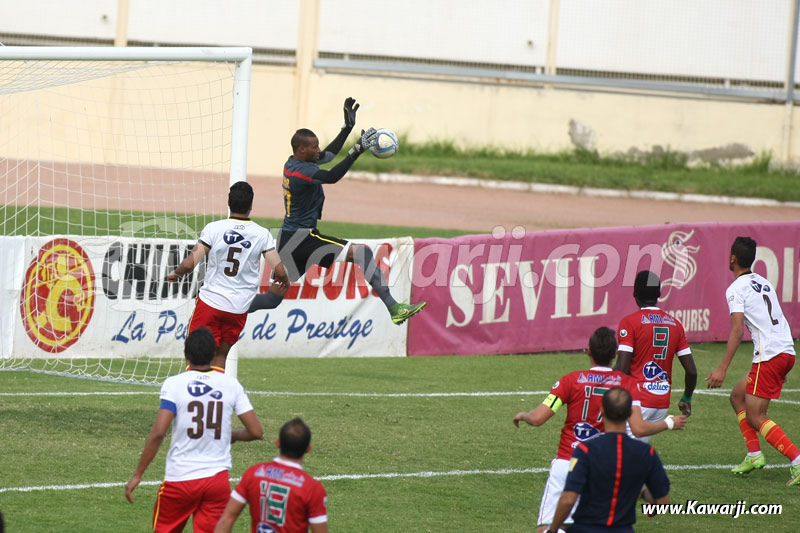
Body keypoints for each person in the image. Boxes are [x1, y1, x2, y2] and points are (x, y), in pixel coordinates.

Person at [247, 97, 426, 325]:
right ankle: (394, 307)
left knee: (272, 299)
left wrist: (347, 128)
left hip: (288, 240)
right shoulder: (301, 173)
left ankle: (224, 306)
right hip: (304, 239)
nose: (318, 150)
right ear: (302, 150)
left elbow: (328, 156)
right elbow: (331, 176)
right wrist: (357, 150)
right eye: (314, 147)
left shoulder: (294, 163)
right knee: (363, 253)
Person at [513, 326, 685, 533]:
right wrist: (669, 422)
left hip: (568, 461)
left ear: (588, 351)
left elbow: (539, 418)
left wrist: (525, 415)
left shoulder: (570, 381)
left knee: (548, 529)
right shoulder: (628, 385)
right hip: (605, 464)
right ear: (614, 354)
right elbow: (639, 429)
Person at [125, 327, 264, 532]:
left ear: (186, 355)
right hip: (217, 481)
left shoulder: (175, 384)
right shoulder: (230, 384)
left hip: (180, 479)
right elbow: (256, 432)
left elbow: (159, 432)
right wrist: (231, 435)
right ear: (213, 355)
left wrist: (138, 474)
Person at [706, 236, 800, 486]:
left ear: (733, 258)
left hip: (770, 355)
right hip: (784, 351)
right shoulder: (764, 282)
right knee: (737, 397)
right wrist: (784, 359)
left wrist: (722, 368)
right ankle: (754, 454)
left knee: (756, 416)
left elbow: (737, 330)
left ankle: (797, 460)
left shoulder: (736, 289)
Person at [168, 181, 289, 369]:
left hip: (211, 303)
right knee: (220, 357)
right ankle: (217, 395)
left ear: (228, 202)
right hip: (238, 309)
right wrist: (285, 281)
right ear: (250, 206)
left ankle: (194, 392)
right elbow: (280, 270)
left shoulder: (214, 228)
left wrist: (176, 273)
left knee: (195, 355)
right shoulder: (262, 234)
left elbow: (190, 263)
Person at [547, 387, 671, 533]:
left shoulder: (586, 450)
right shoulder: (646, 453)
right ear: (630, 413)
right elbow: (663, 501)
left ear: (602, 410)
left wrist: (552, 530)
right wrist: (643, 493)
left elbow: (568, 499)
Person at [615, 270, 697, 442]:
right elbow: (691, 371)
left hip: (637, 401)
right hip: (661, 403)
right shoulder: (675, 324)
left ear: (634, 294)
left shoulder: (630, 322)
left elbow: (622, 368)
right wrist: (686, 398)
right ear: (659, 294)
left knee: (613, 450)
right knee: (634, 453)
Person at [214, 418, 328, 533]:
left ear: (278, 443)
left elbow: (226, 519)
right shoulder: (312, 489)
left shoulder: (253, 474)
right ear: (308, 448)